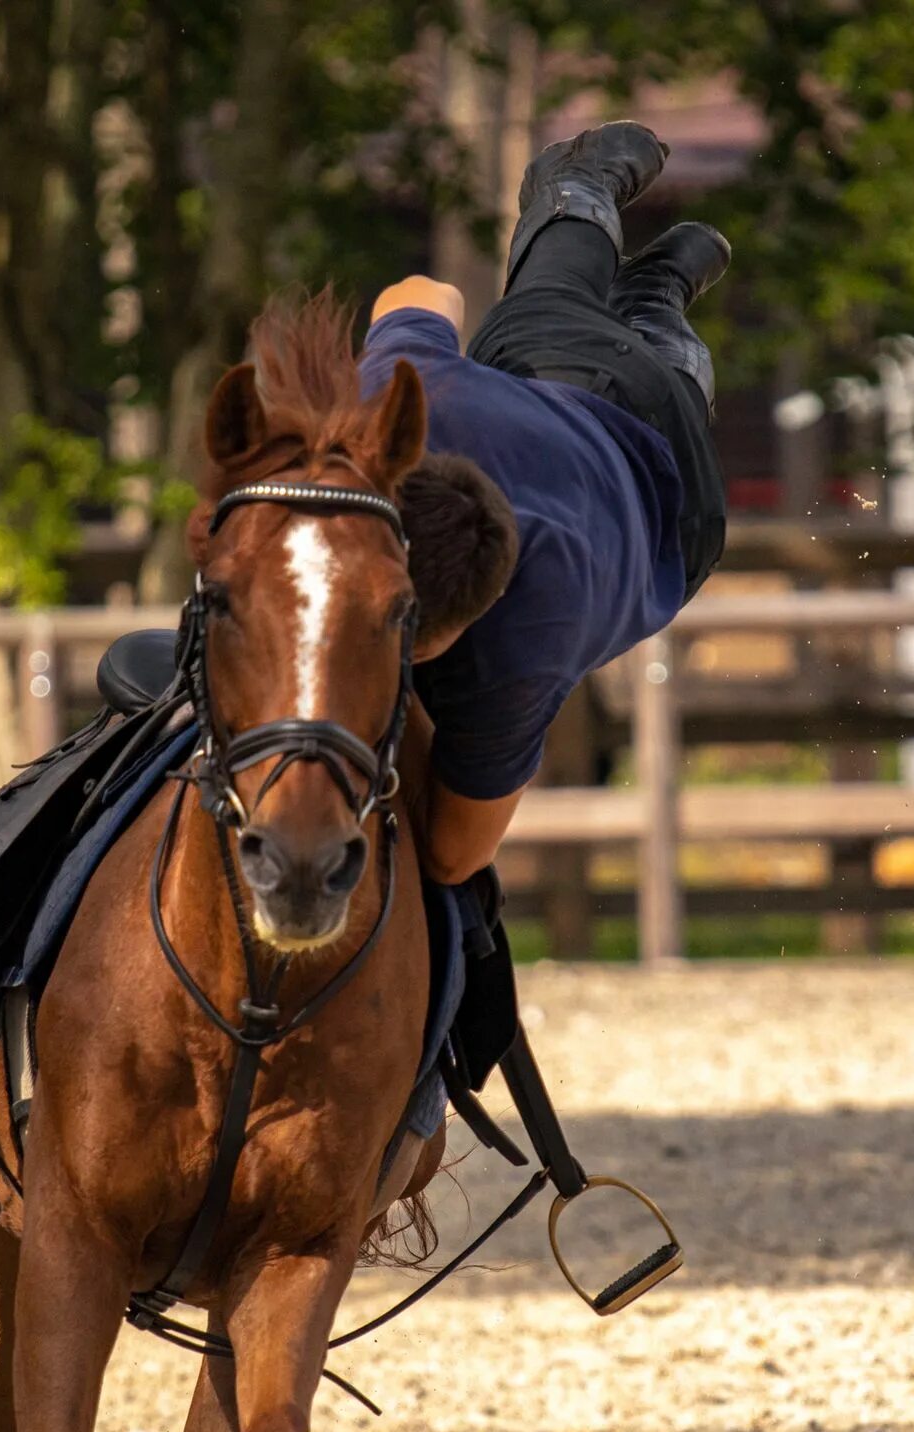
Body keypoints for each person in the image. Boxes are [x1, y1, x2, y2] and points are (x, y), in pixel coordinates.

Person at [357, 120, 730, 886]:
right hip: (560, 394)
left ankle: (659, 295)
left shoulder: (520, 645)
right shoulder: (393, 408)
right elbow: (424, 292)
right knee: (547, 301)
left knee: (640, 352)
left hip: (664, 496)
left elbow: (457, 854)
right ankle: (580, 193)